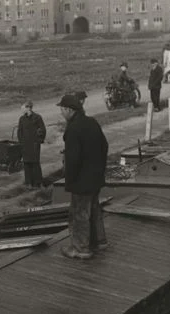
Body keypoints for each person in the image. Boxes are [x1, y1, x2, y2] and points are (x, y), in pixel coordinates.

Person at [57, 95, 108, 260]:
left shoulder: (73, 129)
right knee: (94, 210)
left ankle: (80, 248)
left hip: (81, 181)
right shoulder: (91, 122)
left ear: (70, 110)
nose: (61, 113)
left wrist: (70, 181)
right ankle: (100, 242)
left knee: (79, 214)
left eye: (62, 110)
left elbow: (73, 160)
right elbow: (104, 146)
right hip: (95, 177)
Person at [17, 100, 46, 188]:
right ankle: (29, 183)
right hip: (25, 145)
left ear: (28, 108)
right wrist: (21, 143)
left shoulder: (37, 117)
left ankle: (39, 182)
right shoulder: (22, 119)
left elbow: (43, 130)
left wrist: (39, 140)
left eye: (23, 108)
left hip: (34, 145)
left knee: (35, 163)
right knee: (26, 164)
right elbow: (19, 132)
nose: (22, 110)